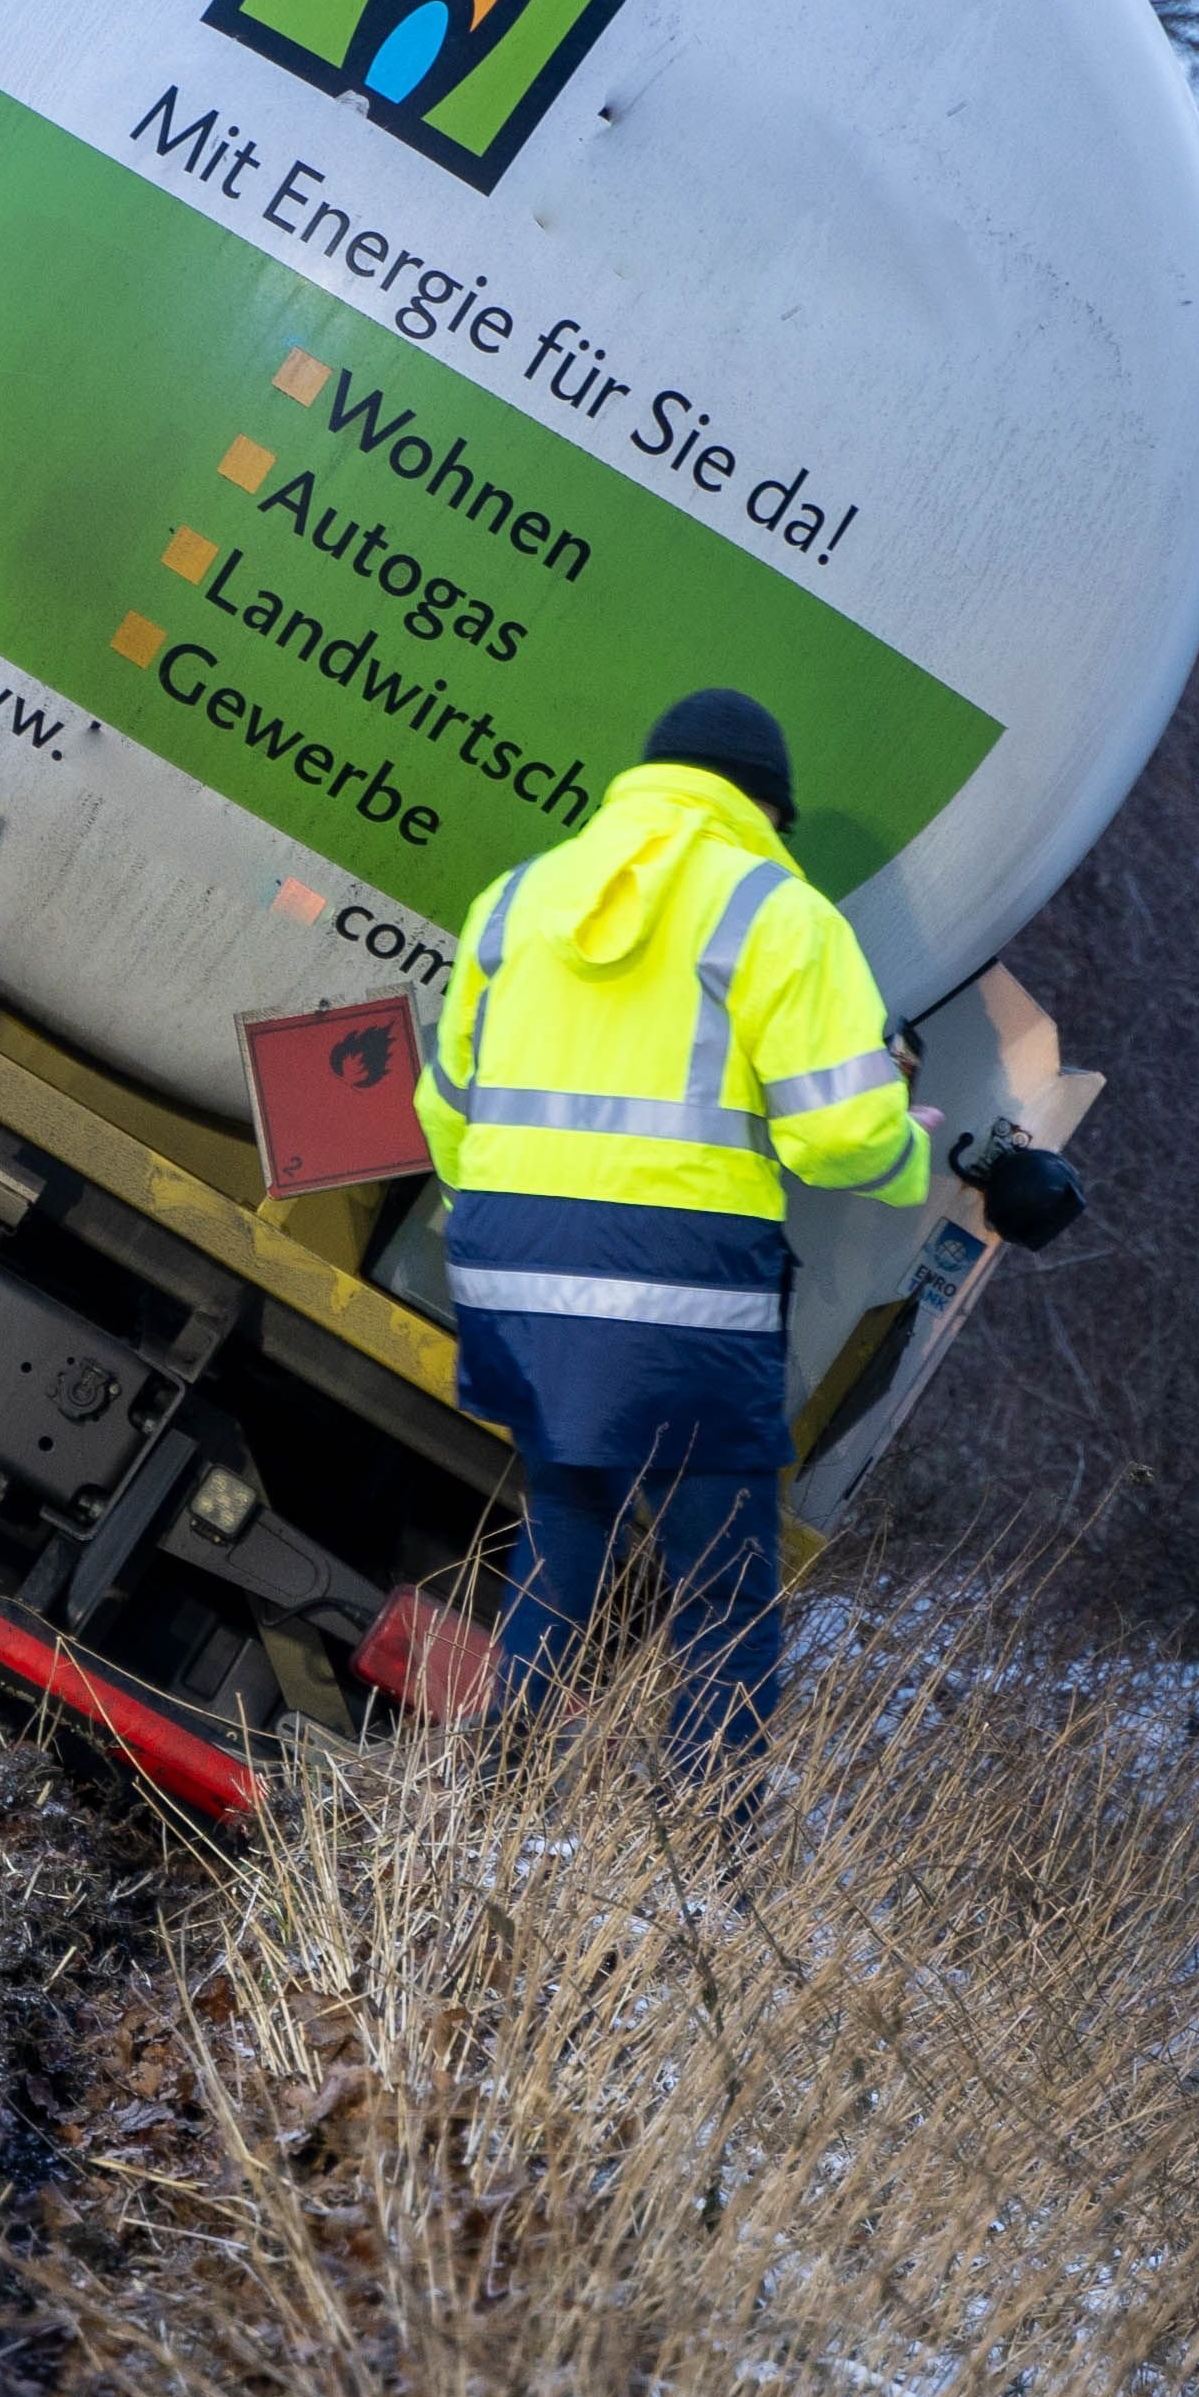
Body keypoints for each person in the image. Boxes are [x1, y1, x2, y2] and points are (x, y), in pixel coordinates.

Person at [418, 688, 924, 1749]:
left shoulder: (516, 898)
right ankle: (702, 1851)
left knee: (567, 1517)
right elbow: (838, 1137)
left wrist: (505, 1220)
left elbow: (445, 1105)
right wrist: (906, 1136)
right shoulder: (779, 914)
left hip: (518, 1274)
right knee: (724, 1584)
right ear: (766, 809)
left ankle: (494, 1785)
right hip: (679, 1288)